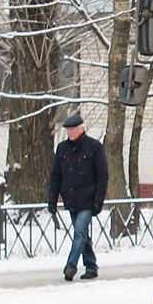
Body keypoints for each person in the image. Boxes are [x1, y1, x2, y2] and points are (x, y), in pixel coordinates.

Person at [47, 114, 109, 282]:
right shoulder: (62, 149)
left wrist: (98, 200)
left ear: (82, 129)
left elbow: (102, 175)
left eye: (73, 129)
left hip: (88, 200)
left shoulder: (94, 147)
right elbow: (56, 175)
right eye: (68, 130)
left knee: (80, 232)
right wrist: (52, 200)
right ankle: (91, 266)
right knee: (83, 236)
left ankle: (71, 266)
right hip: (71, 199)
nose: (70, 133)